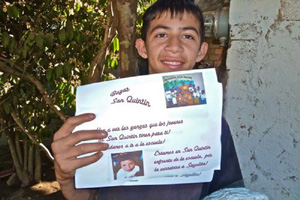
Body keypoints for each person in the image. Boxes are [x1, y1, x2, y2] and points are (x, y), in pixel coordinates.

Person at [51, 0, 243, 199]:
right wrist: (68, 181)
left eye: (187, 36)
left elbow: (229, 191)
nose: (174, 47)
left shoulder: (213, 125)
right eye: (161, 35)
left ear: (201, 52)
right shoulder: (105, 114)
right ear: (142, 48)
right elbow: (89, 196)